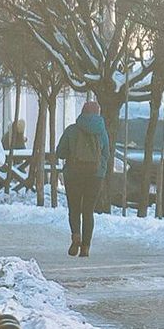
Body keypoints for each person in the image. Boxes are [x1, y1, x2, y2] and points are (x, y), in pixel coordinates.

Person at [56, 101, 110, 257]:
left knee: (74, 209)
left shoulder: (71, 130)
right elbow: (107, 154)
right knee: (88, 211)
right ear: (97, 113)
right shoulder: (102, 132)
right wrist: (100, 169)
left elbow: (60, 152)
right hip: (95, 176)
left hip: (73, 174)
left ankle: (76, 237)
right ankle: (86, 247)